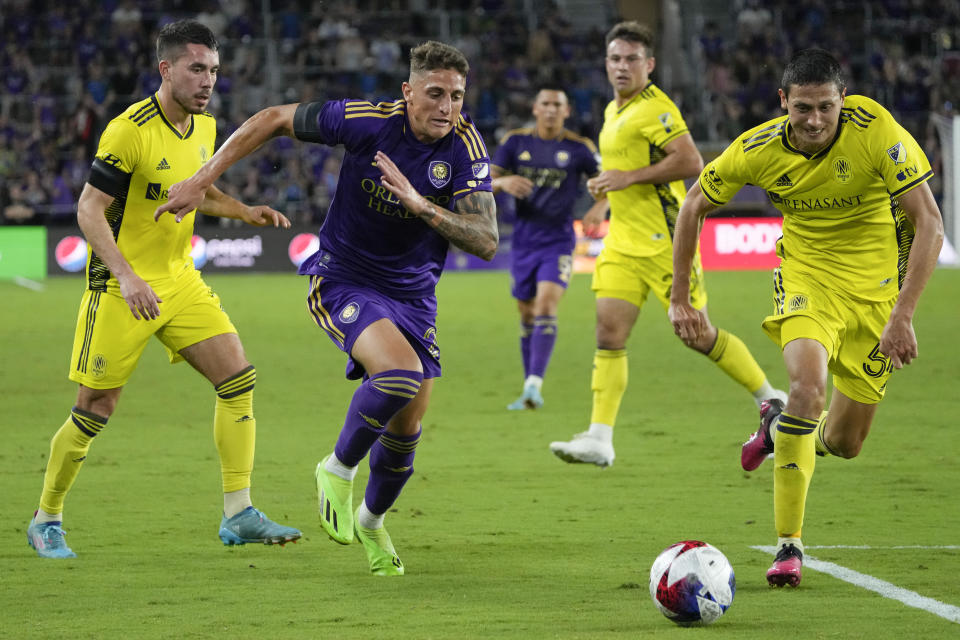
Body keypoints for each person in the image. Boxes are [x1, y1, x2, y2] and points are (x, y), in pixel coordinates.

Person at [155, 41, 498, 576]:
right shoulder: (365, 121)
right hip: (345, 278)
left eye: (456, 96)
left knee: (406, 434)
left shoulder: (466, 147)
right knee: (400, 374)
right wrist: (201, 180)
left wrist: (419, 203)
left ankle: (371, 521)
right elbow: (272, 119)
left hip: (414, 298)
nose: (447, 107)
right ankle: (336, 469)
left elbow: (486, 239)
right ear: (408, 92)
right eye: (434, 94)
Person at [26, 20, 302, 560]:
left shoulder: (204, 128)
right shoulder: (128, 130)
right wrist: (127, 276)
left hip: (180, 282)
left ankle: (238, 513)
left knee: (237, 379)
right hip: (120, 287)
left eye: (214, 71)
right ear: (166, 69)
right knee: (95, 407)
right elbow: (89, 208)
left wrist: (242, 210)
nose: (208, 81)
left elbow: (198, 189)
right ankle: (46, 519)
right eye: (197, 69)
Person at [669, 48, 943, 587]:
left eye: (825, 107)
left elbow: (929, 222)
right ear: (783, 103)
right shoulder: (758, 147)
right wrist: (682, 297)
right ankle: (788, 547)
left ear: (843, 100)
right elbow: (693, 204)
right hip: (806, 281)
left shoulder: (875, 129)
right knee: (808, 390)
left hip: (877, 297)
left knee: (844, 443)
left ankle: (778, 429)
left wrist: (903, 315)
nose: (814, 120)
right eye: (802, 109)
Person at [548, 21, 784, 468]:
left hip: (664, 240)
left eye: (631, 59)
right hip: (622, 242)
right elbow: (628, 170)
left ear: (649, 65)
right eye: (615, 58)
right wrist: (609, 191)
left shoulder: (656, 109)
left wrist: (627, 178)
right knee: (608, 333)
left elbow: (691, 160)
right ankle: (600, 437)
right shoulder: (614, 110)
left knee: (698, 335)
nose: (622, 66)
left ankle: (771, 398)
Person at [491, 86, 601, 410]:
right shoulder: (515, 142)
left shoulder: (579, 148)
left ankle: (535, 384)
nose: (551, 109)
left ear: (567, 111)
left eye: (558, 105)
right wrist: (503, 183)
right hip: (524, 240)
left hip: (559, 240)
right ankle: (529, 388)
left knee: (546, 305)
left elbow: (605, 184)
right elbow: (482, 182)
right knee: (526, 312)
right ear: (535, 108)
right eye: (545, 104)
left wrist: (600, 207)